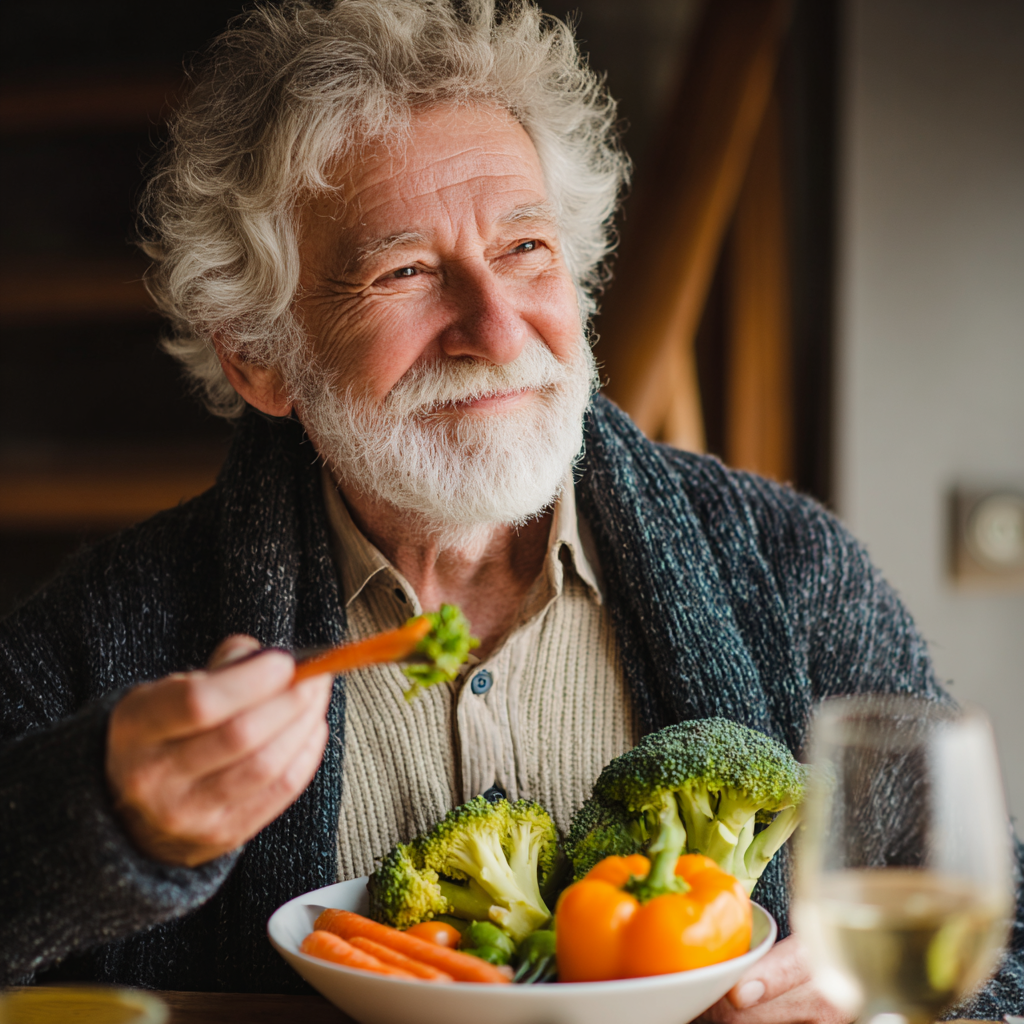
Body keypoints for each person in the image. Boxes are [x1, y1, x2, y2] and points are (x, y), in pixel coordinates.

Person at [0, 1, 1020, 1018]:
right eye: (402, 271)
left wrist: (864, 1009)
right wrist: (110, 822)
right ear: (262, 358)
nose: (493, 329)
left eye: (526, 248)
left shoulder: (790, 567)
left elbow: (1004, 940)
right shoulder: (111, 631)